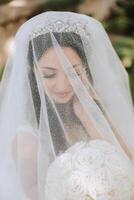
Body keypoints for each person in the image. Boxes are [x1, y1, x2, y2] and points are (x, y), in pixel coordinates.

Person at [0, 11, 134, 200]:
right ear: (35, 73)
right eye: (49, 74)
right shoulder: (27, 138)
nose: (63, 86)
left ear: (85, 69)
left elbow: (127, 163)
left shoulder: (95, 107)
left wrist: (87, 115)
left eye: (73, 73)